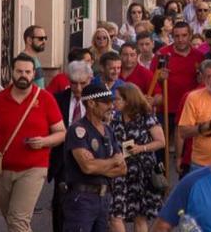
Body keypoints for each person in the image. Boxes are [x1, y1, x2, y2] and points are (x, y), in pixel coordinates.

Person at [0, 53, 66, 232]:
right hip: (2, 169)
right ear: (12, 73)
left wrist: (44, 141)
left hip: (33, 168)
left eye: (28, 72)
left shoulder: (46, 99)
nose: (23, 75)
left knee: (18, 220)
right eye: (19, 71)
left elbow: (61, 133)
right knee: (14, 222)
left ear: (33, 74)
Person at [62, 83, 128, 231]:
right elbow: (87, 167)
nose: (111, 106)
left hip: (104, 198)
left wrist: (98, 166)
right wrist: (111, 162)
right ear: (91, 103)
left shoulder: (108, 130)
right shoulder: (78, 130)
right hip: (82, 199)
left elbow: (122, 168)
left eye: (112, 102)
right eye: (106, 103)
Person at [110, 83, 166, 232]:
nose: (114, 103)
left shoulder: (146, 117)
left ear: (128, 100)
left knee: (139, 216)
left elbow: (161, 142)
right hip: (120, 172)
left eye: (117, 99)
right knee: (115, 214)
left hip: (142, 172)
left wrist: (141, 148)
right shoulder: (115, 119)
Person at [47, 60, 93, 232]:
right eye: (74, 83)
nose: (79, 88)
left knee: (86, 204)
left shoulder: (98, 101)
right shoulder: (58, 99)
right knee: (60, 204)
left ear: (90, 79)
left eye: (83, 83)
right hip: (64, 159)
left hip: (90, 158)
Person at [152, 21, 205, 144]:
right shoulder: (162, 54)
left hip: (191, 109)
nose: (180, 39)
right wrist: (159, 78)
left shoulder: (199, 56)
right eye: (177, 36)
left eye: (184, 35)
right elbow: (152, 81)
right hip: (167, 109)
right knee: (162, 147)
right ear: (172, 36)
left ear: (190, 35)